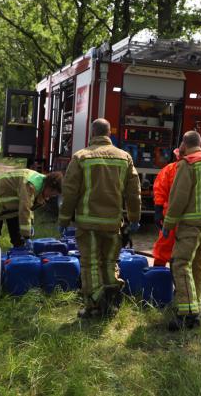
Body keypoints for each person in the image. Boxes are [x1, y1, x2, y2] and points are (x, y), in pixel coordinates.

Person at [59, 118, 141, 318]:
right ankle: (112, 303)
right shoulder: (124, 157)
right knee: (110, 262)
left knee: (91, 264)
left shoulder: (81, 157)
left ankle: (95, 307)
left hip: (88, 223)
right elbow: (133, 193)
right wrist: (134, 217)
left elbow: (70, 192)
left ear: (92, 134)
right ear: (109, 134)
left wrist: (63, 220)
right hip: (113, 223)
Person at [161, 131, 201, 331]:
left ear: (184, 145)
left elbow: (178, 197)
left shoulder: (187, 164)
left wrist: (168, 224)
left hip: (191, 226)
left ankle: (185, 313)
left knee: (180, 264)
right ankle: (195, 310)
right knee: (198, 267)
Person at [0, 169, 62, 247]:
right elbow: (25, 209)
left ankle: (19, 250)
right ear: (49, 187)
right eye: (52, 194)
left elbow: (29, 208)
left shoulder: (41, 184)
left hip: (13, 197)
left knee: (17, 235)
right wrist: (27, 236)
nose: (49, 197)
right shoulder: (31, 185)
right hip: (0, 191)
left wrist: (30, 224)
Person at [151, 148, 181, 266]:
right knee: (167, 248)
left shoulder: (170, 169)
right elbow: (160, 190)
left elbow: (160, 190)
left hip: (172, 216)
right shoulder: (170, 169)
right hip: (183, 217)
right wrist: (158, 210)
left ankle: (160, 274)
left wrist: (158, 210)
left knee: (165, 247)